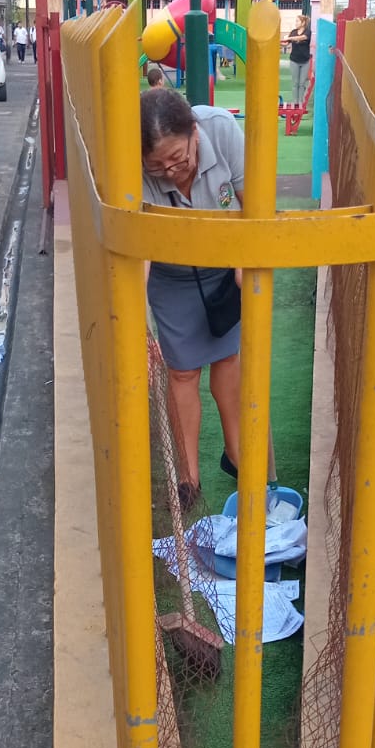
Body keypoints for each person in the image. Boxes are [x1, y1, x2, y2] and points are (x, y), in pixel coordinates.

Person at [141, 88, 273, 509]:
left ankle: (239, 457)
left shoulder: (222, 130)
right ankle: (188, 478)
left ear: (194, 132)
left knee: (229, 360)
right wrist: (136, 316)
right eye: (157, 167)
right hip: (172, 274)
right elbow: (137, 246)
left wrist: (246, 262)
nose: (170, 172)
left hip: (224, 267)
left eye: (177, 158)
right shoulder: (129, 160)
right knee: (182, 372)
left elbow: (256, 205)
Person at [287, 13, 311, 107]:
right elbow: (286, 43)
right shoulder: (293, 32)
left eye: (297, 21)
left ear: (303, 23)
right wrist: (279, 42)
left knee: (302, 83)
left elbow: (303, 37)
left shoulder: (307, 32)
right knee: (295, 83)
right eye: (296, 21)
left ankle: (300, 102)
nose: (296, 23)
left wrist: (290, 38)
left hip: (305, 61)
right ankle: (295, 102)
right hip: (294, 61)